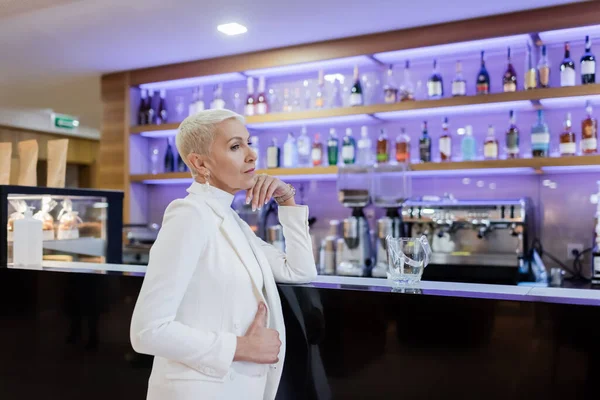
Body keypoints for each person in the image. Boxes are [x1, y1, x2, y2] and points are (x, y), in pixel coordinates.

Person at [130, 108, 317, 400]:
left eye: (248, 142)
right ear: (200, 163)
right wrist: (242, 347)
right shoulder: (189, 214)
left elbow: (300, 271)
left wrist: (286, 199)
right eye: (235, 146)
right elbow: (148, 330)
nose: (252, 155)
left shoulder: (228, 219)